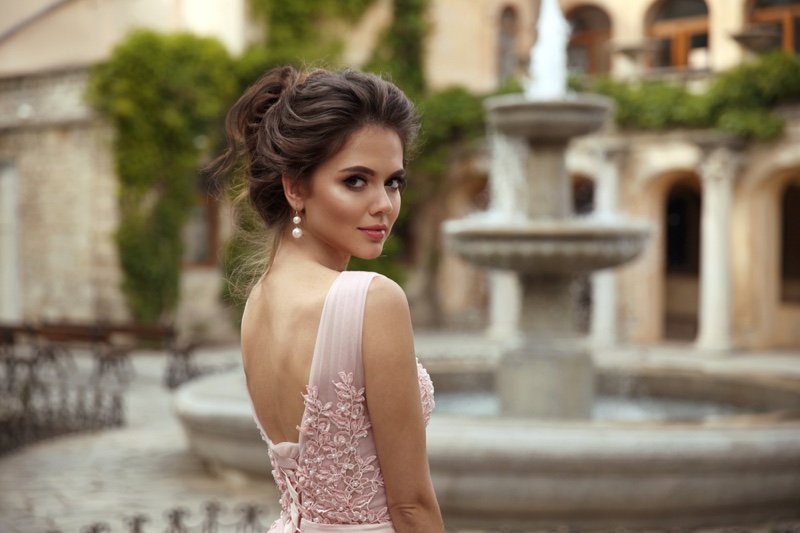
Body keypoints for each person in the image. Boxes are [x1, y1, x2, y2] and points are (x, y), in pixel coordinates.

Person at [209, 66, 445, 533]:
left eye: (392, 181)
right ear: (296, 187)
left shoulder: (258, 302)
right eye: (356, 180)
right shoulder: (372, 300)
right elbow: (412, 506)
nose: (384, 204)